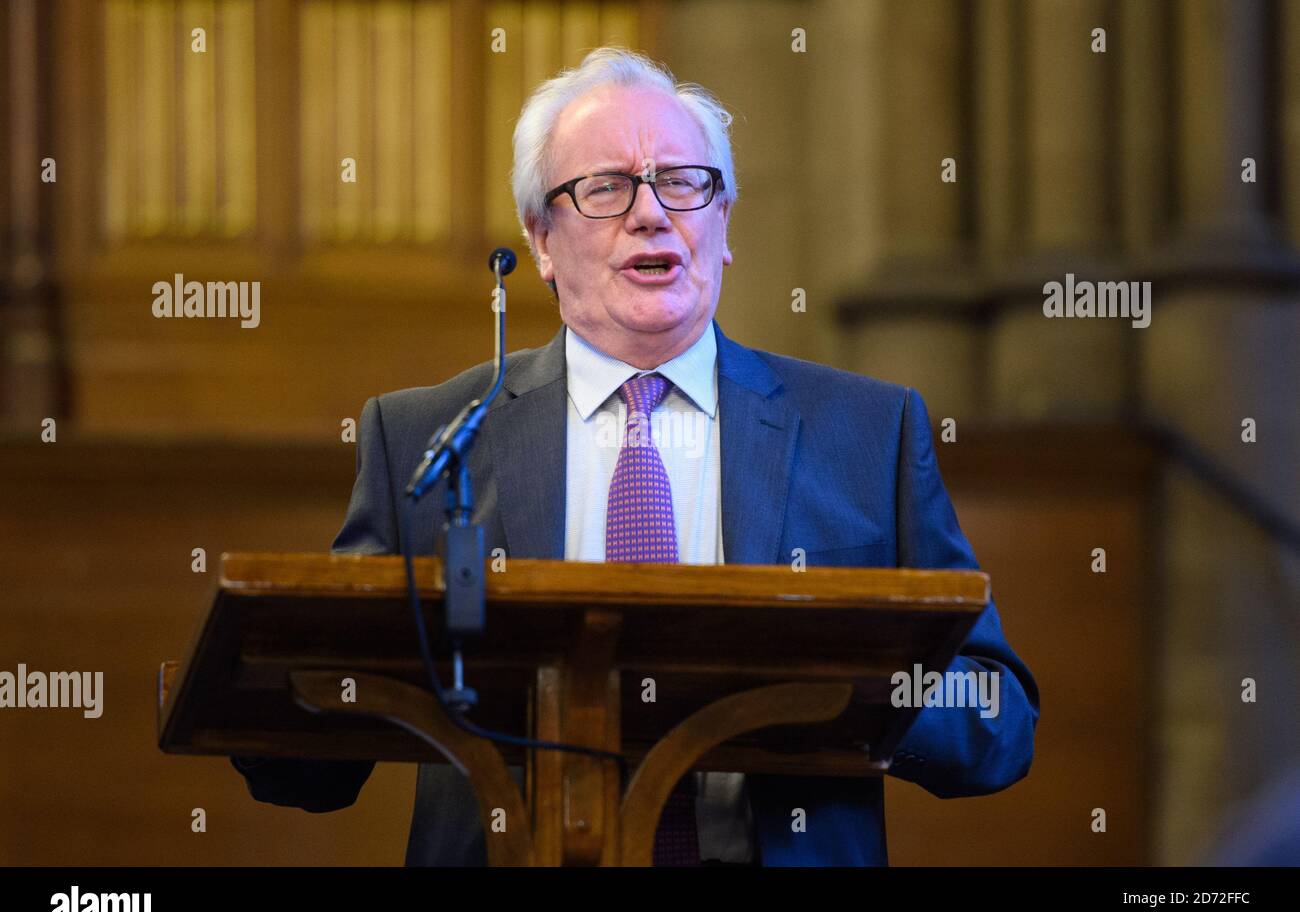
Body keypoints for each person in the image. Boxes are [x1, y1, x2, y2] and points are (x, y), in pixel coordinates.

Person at [232, 46, 1039, 866]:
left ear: (723, 222)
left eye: (684, 182)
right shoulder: (430, 439)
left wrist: (842, 681)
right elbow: (307, 764)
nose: (652, 214)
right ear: (540, 239)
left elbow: (998, 721)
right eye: (607, 187)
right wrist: (265, 679)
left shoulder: (867, 432)